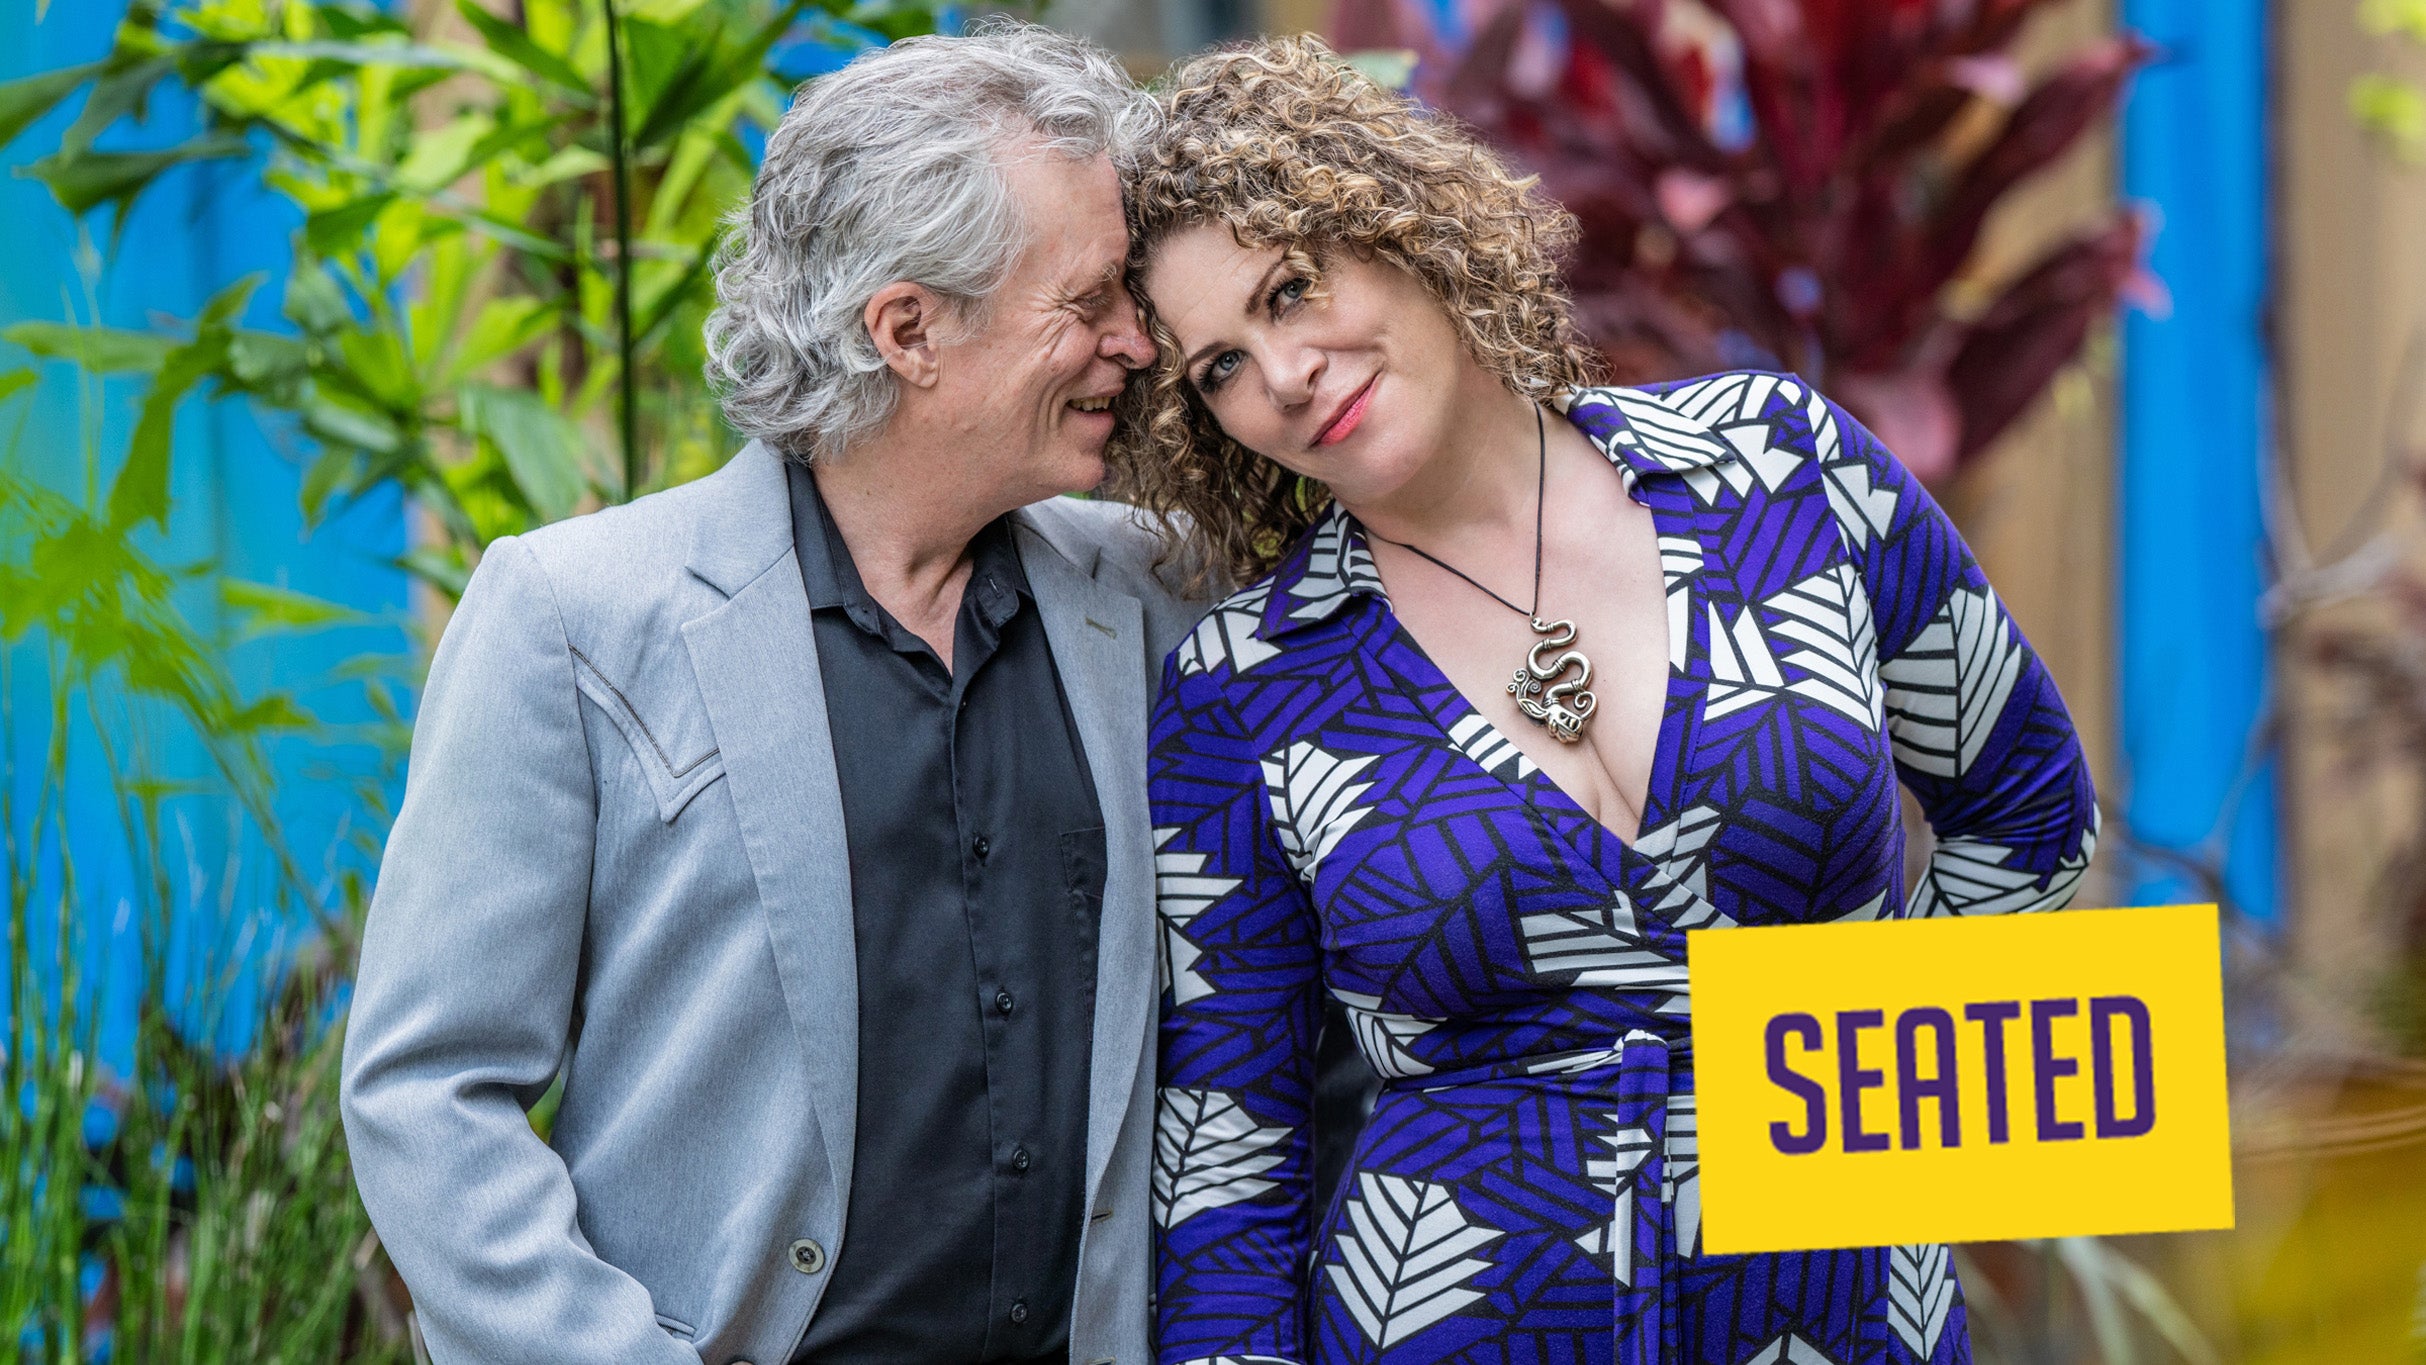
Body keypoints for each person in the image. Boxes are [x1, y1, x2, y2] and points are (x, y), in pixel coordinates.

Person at [1112, 36, 2100, 1365]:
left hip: (1846, 1320)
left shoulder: (1780, 468)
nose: (1283, 372)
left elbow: (2030, 815)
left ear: (1396, 226)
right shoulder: (1242, 690)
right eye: (1219, 367)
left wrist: (1873, 1096)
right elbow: (1229, 1159)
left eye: (1291, 288)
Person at [339, 24, 1203, 1365]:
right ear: (908, 329)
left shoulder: (1154, 594)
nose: (1136, 343)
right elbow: (428, 1090)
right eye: (1088, 302)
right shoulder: (572, 615)